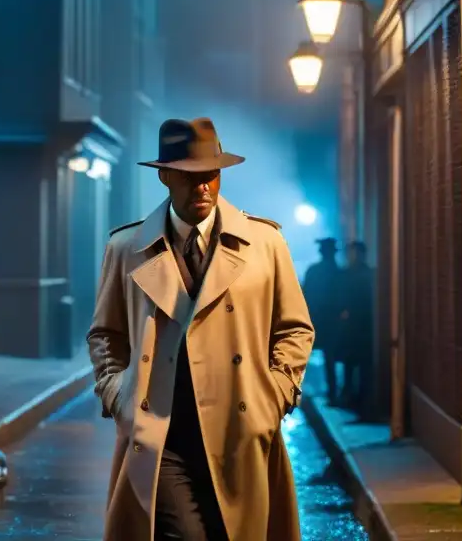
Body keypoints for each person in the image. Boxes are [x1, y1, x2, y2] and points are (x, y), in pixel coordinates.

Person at [88, 117, 314, 541]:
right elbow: (106, 334)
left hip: (240, 430)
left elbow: (295, 329)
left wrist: (276, 394)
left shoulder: (264, 244)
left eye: (211, 175)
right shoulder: (126, 248)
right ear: (165, 177)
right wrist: (118, 394)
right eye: (190, 176)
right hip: (161, 437)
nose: (204, 187)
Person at [302, 237, 343, 402]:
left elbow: (304, 295)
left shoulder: (315, 271)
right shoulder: (338, 272)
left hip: (318, 319)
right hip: (331, 321)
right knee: (330, 356)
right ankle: (332, 391)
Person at [339, 240, 374, 414]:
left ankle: (362, 400)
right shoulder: (345, 274)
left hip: (364, 327)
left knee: (363, 366)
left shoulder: (367, 275)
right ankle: (349, 397)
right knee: (349, 365)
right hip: (349, 328)